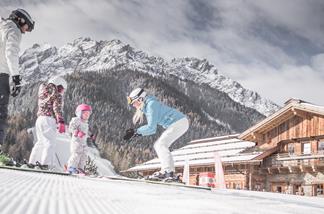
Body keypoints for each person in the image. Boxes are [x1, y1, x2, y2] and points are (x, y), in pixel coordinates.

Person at [123, 88, 189, 180]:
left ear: (140, 99)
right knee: (160, 145)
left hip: (179, 122)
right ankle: (167, 171)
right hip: (179, 122)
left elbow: (151, 128)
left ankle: (168, 172)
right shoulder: (148, 105)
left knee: (160, 144)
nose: (133, 105)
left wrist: (135, 132)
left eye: (134, 102)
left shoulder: (151, 105)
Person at [0, 9, 35, 146]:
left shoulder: (2, 27)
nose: (25, 31)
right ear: (20, 20)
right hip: (1, 74)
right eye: (27, 27)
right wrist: (16, 77)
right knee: (1, 111)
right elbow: (11, 53)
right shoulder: (13, 30)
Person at [28, 76, 67, 170]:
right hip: (48, 120)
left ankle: (32, 163)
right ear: (58, 86)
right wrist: (60, 120)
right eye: (61, 89)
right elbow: (56, 107)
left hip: (40, 119)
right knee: (50, 143)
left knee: (40, 142)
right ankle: (46, 164)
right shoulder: (56, 94)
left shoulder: (43, 92)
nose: (62, 92)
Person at [67, 104, 92, 174]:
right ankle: (71, 167)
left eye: (88, 114)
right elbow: (71, 128)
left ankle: (80, 168)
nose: (87, 115)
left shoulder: (85, 123)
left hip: (83, 142)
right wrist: (77, 132)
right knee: (76, 154)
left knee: (84, 155)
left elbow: (86, 132)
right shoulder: (76, 120)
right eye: (85, 113)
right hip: (76, 142)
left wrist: (90, 135)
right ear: (80, 113)